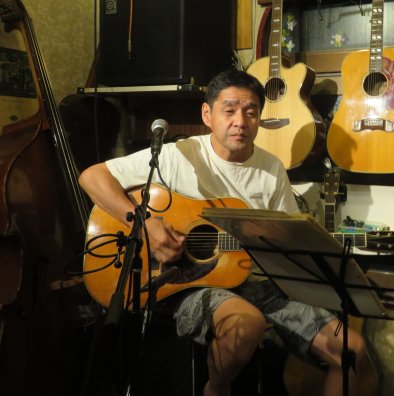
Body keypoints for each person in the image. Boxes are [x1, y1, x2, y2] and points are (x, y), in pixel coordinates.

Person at [79, 69, 369, 396]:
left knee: (353, 351)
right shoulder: (178, 156)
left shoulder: (271, 168)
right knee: (247, 324)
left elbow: (286, 239)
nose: (240, 122)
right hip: (184, 284)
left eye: (250, 112)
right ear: (207, 114)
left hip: (258, 285)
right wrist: (144, 222)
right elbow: (92, 177)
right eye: (229, 110)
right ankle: (216, 388)